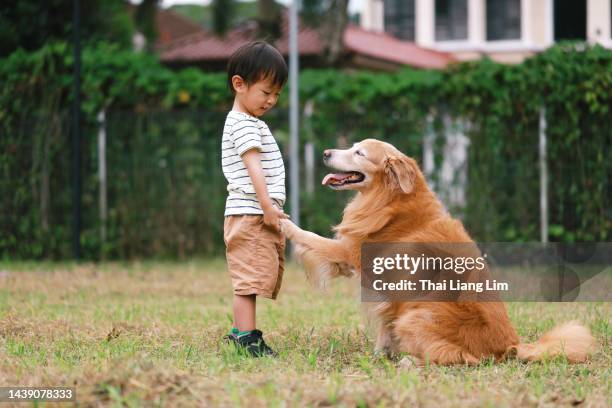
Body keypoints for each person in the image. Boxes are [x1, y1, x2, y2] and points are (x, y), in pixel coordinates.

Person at [221, 41, 289, 357]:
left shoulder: (248, 122)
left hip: (252, 211)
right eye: (266, 92)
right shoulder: (244, 125)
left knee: (253, 276)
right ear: (239, 84)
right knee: (248, 282)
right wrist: (267, 206)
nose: (272, 100)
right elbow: (253, 168)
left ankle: (240, 332)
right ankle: (246, 338)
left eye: (277, 93)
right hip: (251, 212)